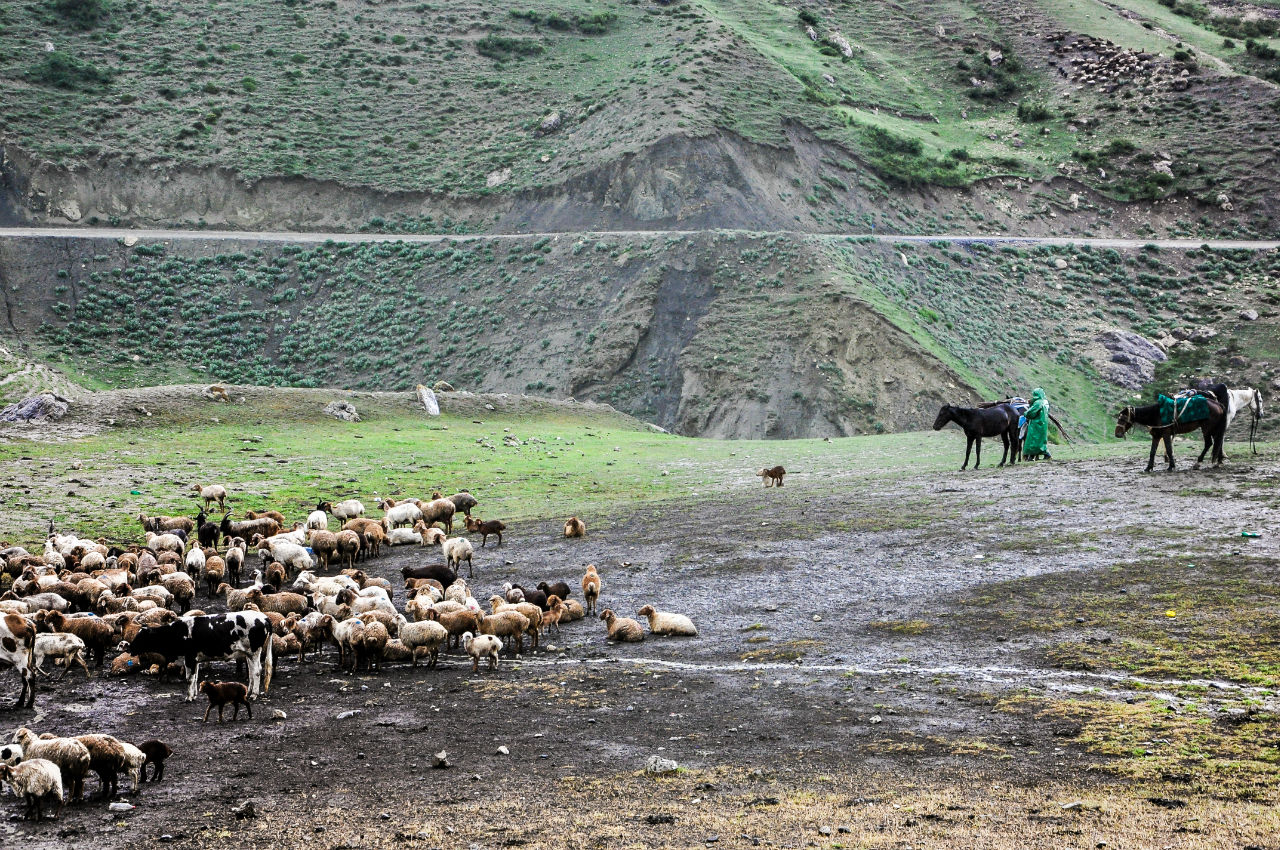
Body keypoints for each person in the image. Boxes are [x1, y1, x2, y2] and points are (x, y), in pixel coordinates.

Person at [1023, 387, 1051, 460]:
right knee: (1041, 440)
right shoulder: (1045, 402)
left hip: (1036, 424)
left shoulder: (1038, 403)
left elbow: (1031, 413)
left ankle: (1046, 454)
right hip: (1043, 424)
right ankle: (1032, 456)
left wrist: (1025, 413)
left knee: (1034, 439)